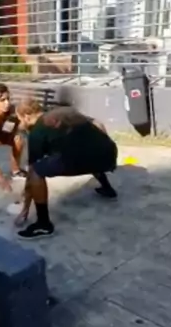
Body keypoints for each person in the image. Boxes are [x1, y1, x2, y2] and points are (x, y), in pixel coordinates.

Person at [14, 101, 118, 239]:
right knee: (81, 148)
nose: (20, 123)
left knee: (36, 172)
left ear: (26, 116)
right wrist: (104, 147)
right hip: (109, 153)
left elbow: (32, 173)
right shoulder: (65, 112)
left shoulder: (37, 132)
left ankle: (43, 224)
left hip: (87, 159)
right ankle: (107, 188)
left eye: (20, 119)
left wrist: (25, 209)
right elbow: (98, 123)